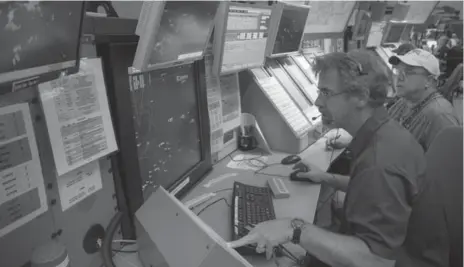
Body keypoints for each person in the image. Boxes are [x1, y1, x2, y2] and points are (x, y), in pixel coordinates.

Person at [229, 50, 428, 267]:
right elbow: (368, 187)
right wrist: (325, 177)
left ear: (361, 96)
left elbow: (376, 261)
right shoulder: (384, 135)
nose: (317, 101)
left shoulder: (380, 162)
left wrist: (294, 229)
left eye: (326, 92)